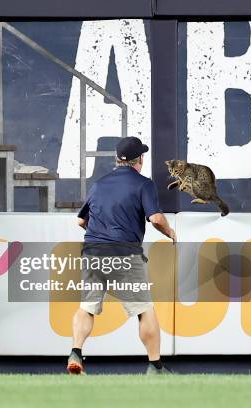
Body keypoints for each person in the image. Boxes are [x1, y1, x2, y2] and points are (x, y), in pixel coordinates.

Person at [67, 136, 176, 375]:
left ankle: (76, 352)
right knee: (144, 310)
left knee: (87, 306)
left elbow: (81, 220)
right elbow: (156, 218)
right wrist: (170, 233)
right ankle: (155, 366)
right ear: (140, 159)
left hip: (93, 251)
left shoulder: (100, 184)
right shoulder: (143, 184)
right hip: (125, 253)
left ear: (117, 160)